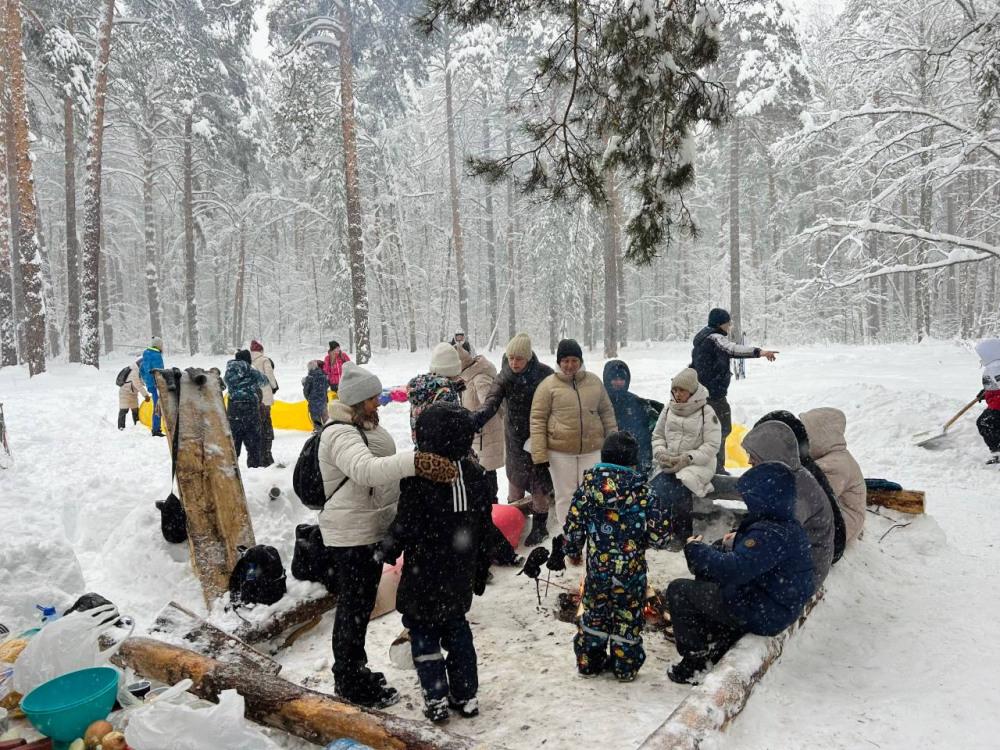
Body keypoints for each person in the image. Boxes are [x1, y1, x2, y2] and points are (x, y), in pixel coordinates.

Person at [318, 362, 457, 709]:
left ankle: (355, 670)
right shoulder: (339, 434)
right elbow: (366, 471)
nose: (377, 402)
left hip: (368, 529)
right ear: (356, 401)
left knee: (360, 606)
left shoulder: (364, 426)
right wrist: (416, 462)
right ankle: (349, 679)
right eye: (371, 398)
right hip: (350, 535)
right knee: (353, 608)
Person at [379, 402, 492, 722]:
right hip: (459, 575)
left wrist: (387, 548)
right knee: (457, 631)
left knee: (424, 634)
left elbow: (405, 523)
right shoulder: (475, 475)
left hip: (424, 574)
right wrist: (480, 568)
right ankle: (466, 694)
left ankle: (436, 697)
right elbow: (485, 527)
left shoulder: (420, 478)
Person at [666, 461, 814, 684]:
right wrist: (736, 541)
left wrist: (696, 550)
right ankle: (718, 641)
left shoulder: (770, 534)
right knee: (711, 569)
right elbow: (754, 559)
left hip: (766, 612)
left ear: (764, 498)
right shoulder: (785, 525)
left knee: (679, 591)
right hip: (773, 602)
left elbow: (733, 569)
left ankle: (695, 664)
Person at [563, 432, 670, 681]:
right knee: (627, 618)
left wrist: (573, 551)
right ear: (633, 462)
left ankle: (589, 663)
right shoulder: (644, 492)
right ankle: (625, 667)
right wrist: (644, 540)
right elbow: (661, 536)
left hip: (598, 572)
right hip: (631, 573)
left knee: (594, 615)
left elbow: (573, 526)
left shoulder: (588, 489)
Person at [472, 333, 556, 547]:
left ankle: (540, 526)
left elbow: (557, 403)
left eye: (519, 359)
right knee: (515, 479)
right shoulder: (505, 376)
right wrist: (474, 420)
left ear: (528, 358)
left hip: (538, 436)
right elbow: (491, 401)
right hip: (514, 438)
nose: (514, 363)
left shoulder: (545, 374)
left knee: (539, 482)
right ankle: (513, 520)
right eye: (511, 358)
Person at [530, 338, 617, 529]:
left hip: (592, 449)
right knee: (565, 495)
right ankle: (568, 533)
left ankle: (593, 531)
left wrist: (613, 442)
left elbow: (607, 413)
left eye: (574, 360)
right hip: (559, 452)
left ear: (581, 361)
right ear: (559, 362)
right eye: (565, 361)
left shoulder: (594, 382)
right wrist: (539, 455)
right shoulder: (547, 386)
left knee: (594, 492)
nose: (570, 365)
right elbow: (537, 421)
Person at [742, 420, 835, 589]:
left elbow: (772, 543)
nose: (749, 461)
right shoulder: (786, 475)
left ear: (770, 456)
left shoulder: (797, 494)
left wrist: (739, 544)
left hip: (800, 579)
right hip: (795, 563)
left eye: (754, 457)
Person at [456, 345, 522, 566]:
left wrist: (472, 421)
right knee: (483, 483)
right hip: (478, 438)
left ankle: (496, 522)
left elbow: (490, 404)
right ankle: (493, 524)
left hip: (484, 438)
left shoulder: (479, 376)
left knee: (486, 482)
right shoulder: (467, 375)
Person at [690, 309, 778, 473]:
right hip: (713, 395)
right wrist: (759, 352)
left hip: (705, 393)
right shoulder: (715, 338)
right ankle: (716, 468)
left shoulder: (703, 339)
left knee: (711, 431)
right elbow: (732, 349)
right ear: (720, 324)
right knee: (720, 430)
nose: (729, 326)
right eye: (727, 323)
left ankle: (710, 466)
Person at [753, 410, 846, 562]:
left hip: (823, 552)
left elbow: (779, 530)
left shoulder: (796, 478)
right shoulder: (800, 465)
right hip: (828, 542)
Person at [649, 368, 721, 545]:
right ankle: (659, 532)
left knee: (681, 486)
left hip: (698, 463)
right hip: (670, 461)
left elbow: (712, 446)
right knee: (657, 487)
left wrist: (688, 458)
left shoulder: (706, 412)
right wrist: (661, 453)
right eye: (675, 390)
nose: (677, 394)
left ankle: (682, 536)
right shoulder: (668, 409)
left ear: (692, 391)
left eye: (682, 390)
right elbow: (657, 436)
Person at [799, 408, 866, 544]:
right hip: (842, 520)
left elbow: (810, 500)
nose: (802, 441)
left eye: (806, 435)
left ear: (820, 437)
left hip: (841, 528)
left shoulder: (835, 466)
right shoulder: (836, 457)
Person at [602, 359, 660, 473]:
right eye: (614, 379)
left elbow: (644, 435)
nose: (618, 382)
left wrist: (643, 460)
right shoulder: (601, 402)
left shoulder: (636, 403)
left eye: (622, 379)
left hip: (632, 459)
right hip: (607, 457)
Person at [407, 343, 466, 446]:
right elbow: (453, 431)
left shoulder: (420, 387)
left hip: (422, 449)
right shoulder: (447, 394)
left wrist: (453, 386)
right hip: (442, 452)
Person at [224, 349, 269, 468]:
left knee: (233, 444)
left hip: (233, 409)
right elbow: (264, 381)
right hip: (250, 409)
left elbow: (226, 383)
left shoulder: (229, 371)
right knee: (253, 443)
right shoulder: (251, 370)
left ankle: (231, 470)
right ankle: (254, 469)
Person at [250, 340, 278, 467]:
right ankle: (267, 455)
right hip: (265, 396)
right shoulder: (264, 360)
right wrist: (274, 386)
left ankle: (260, 455)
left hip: (254, 397)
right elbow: (270, 376)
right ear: (261, 350)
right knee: (266, 424)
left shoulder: (248, 361)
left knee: (258, 424)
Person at [975, 339, 1000, 464]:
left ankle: (997, 451)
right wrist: (986, 391)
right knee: (989, 424)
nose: (981, 359)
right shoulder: (994, 366)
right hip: (996, 403)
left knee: (984, 423)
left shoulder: (996, 367)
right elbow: (995, 385)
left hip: (998, 405)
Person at [139, 337, 165, 437]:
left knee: (156, 405)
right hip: (157, 385)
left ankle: (156, 428)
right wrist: (162, 383)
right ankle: (156, 429)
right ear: (159, 345)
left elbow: (141, 370)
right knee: (158, 406)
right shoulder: (156, 355)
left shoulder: (146, 354)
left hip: (151, 385)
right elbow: (160, 372)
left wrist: (147, 381)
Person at [118, 359, 149, 430]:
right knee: (124, 409)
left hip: (133, 393)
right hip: (125, 392)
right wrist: (145, 395)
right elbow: (137, 384)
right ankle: (121, 427)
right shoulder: (134, 371)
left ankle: (137, 425)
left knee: (135, 410)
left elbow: (141, 381)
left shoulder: (139, 371)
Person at [302, 360, 329, 433]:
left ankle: (318, 430)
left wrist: (308, 398)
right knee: (325, 416)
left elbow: (306, 391)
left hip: (313, 401)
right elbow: (326, 386)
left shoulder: (309, 378)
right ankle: (328, 428)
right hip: (323, 400)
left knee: (315, 417)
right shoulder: (323, 376)